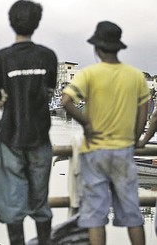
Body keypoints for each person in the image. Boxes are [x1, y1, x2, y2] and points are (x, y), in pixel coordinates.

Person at [61, 21, 149, 245]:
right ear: (118, 48)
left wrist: (88, 125)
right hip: (123, 151)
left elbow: (66, 101)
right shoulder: (136, 76)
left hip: (94, 152)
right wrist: (136, 138)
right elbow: (143, 112)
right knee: (132, 215)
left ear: (97, 49)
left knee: (95, 217)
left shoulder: (89, 74)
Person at [0, 1, 58, 244]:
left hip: (10, 136)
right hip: (40, 135)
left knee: (13, 202)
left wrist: (7, 96)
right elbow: (49, 92)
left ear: (11, 22)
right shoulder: (48, 56)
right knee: (40, 201)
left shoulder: (1, 58)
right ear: (37, 24)